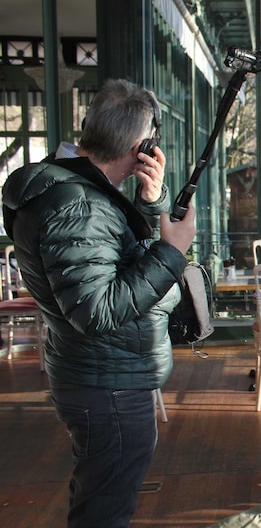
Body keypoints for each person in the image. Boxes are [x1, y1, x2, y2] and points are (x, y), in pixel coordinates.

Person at [1, 79, 197, 528]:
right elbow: (96, 310)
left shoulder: (68, 188)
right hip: (107, 383)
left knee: (98, 493)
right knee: (105, 508)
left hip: (97, 373)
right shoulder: (79, 206)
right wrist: (172, 252)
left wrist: (151, 204)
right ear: (139, 145)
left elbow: (118, 257)